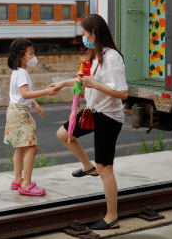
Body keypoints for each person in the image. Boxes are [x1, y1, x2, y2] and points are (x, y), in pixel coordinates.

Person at [49, 14, 128, 230]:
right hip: (93, 112)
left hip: (108, 117)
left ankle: (112, 217)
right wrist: (62, 84)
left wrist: (95, 84)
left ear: (94, 33)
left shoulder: (112, 57)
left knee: (106, 168)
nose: (83, 37)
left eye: (84, 34)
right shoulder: (95, 55)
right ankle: (87, 167)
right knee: (64, 134)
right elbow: (85, 81)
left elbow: (122, 93)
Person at [4, 38, 53, 196]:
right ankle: (26, 184)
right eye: (31, 53)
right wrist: (46, 92)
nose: (33, 56)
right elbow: (24, 93)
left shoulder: (16, 72)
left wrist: (34, 103)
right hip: (20, 113)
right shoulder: (23, 73)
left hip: (13, 110)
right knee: (32, 147)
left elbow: (20, 95)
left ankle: (18, 180)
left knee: (20, 148)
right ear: (21, 56)